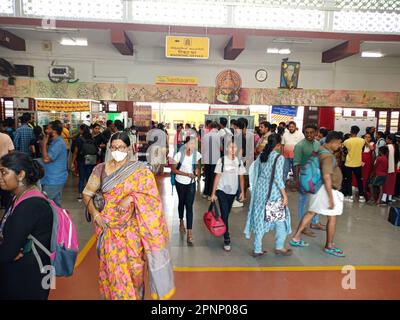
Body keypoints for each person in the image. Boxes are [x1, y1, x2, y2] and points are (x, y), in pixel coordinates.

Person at [83, 132, 175, 300]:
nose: (117, 150)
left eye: (121, 147)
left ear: (129, 148)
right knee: (114, 272)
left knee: (135, 270)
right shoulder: (100, 169)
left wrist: (132, 197)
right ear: (109, 148)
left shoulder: (140, 171)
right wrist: (96, 215)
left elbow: (152, 199)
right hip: (108, 230)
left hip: (132, 231)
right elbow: (87, 194)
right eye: (114, 147)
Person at [0, 152, 53, 299]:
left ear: (21, 174)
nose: (0, 176)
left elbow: (7, 253)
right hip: (28, 272)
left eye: (3, 172)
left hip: (28, 278)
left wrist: (9, 248)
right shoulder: (19, 197)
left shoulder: (30, 205)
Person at [290, 131, 346, 257]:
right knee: (332, 217)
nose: (339, 146)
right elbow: (326, 176)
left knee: (311, 212)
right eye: (339, 144)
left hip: (317, 188)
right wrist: (331, 198)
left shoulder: (319, 150)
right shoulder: (327, 156)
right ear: (334, 142)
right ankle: (329, 245)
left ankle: (296, 237)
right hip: (327, 190)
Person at [245, 134, 292, 257]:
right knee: (281, 219)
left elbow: (257, 173)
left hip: (260, 191)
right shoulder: (278, 158)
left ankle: (257, 249)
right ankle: (279, 247)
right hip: (273, 193)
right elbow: (277, 178)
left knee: (261, 218)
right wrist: (284, 195)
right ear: (278, 145)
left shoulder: (262, 155)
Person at [210, 140, 246, 252]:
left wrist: (242, 191)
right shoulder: (222, 160)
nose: (233, 149)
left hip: (232, 192)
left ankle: (224, 226)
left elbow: (241, 177)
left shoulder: (238, 161)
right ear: (226, 149)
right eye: (231, 147)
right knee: (225, 214)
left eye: (235, 147)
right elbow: (217, 177)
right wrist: (213, 192)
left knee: (227, 212)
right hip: (221, 190)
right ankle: (226, 238)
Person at [293, 124, 325, 236]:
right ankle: (303, 226)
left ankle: (315, 222)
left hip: (316, 176)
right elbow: (296, 164)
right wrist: (296, 180)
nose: (309, 134)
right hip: (304, 177)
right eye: (307, 132)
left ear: (316, 132)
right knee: (303, 201)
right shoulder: (299, 146)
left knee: (316, 200)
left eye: (311, 132)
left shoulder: (317, 143)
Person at [172, 137, 201, 245]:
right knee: (181, 202)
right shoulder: (179, 154)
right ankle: (181, 221)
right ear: (186, 144)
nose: (193, 146)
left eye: (194, 144)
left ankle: (189, 233)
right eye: (191, 143)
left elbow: (198, 167)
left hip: (191, 183)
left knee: (189, 206)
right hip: (180, 182)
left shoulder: (197, 154)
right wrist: (187, 174)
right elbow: (173, 169)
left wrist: (197, 172)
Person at [40, 121, 68, 207]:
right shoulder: (55, 142)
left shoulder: (58, 143)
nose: (46, 131)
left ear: (54, 131)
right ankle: (59, 220)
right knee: (55, 205)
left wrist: (43, 144)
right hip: (52, 178)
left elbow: (46, 159)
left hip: (54, 180)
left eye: (48, 129)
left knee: (44, 203)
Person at [70, 125, 97, 201]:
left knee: (81, 177)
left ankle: (80, 195)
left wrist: (72, 162)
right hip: (91, 160)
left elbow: (75, 152)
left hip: (81, 160)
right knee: (89, 178)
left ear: (81, 130)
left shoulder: (79, 140)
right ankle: (89, 194)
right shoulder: (92, 139)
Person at [342, 126, 367, 203]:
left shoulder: (346, 141)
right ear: (358, 132)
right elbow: (371, 148)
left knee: (349, 180)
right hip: (358, 163)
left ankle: (350, 196)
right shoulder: (362, 140)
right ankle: (361, 197)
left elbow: (340, 147)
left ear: (350, 131)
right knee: (359, 180)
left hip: (348, 163)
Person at [202, 122, 220, 200]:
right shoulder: (218, 136)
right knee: (213, 177)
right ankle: (210, 194)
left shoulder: (205, 136)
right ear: (216, 128)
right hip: (215, 159)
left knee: (207, 176)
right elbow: (220, 147)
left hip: (207, 158)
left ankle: (205, 192)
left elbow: (203, 148)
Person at [381, 134, 399, 205]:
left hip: (388, 167)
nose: (386, 140)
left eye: (387, 139)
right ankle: (390, 198)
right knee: (392, 183)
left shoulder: (387, 147)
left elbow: (384, 157)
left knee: (386, 183)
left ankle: (384, 199)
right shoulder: (396, 146)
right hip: (394, 167)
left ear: (390, 140)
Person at [0, 131, 15, 210]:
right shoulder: (6, 137)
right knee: (5, 184)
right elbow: (12, 152)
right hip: (4, 166)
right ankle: (5, 204)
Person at [361, 132, 375, 199]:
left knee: (366, 177)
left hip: (368, 163)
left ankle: (365, 191)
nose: (366, 138)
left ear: (371, 138)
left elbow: (372, 148)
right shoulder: (361, 143)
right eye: (365, 137)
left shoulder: (372, 143)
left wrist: (366, 142)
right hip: (361, 162)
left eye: (368, 137)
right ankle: (360, 190)